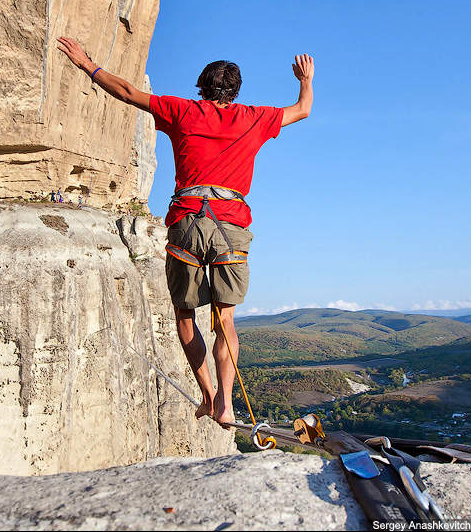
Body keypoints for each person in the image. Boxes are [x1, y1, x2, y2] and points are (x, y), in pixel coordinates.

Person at [57, 37, 314, 427]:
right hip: (231, 225)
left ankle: (208, 395)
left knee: (185, 314)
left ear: (201, 86)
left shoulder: (182, 111)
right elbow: (303, 110)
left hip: (188, 222)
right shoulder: (253, 118)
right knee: (225, 320)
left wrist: (86, 65)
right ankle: (227, 404)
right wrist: (305, 80)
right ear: (236, 90)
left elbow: (127, 93)